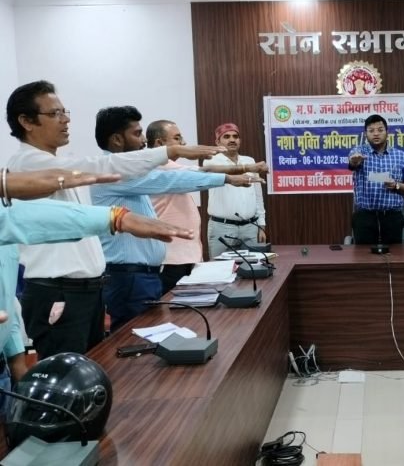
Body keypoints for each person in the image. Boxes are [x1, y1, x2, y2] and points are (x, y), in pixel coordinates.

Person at [4, 80, 221, 359]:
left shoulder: (60, 162)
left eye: (64, 112)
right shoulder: (27, 164)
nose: (66, 119)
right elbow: (106, 165)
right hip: (59, 291)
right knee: (69, 373)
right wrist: (168, 152)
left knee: (94, 369)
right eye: (55, 113)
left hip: (87, 290)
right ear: (26, 121)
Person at [0, 168, 194, 416]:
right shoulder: (30, 163)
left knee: (85, 387)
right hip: (59, 293)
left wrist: (15, 355)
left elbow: (5, 297)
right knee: (65, 394)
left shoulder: (7, 218)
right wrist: (115, 219)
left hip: (7, 363)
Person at [91, 107, 259, 331]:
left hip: (141, 275)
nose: (144, 140)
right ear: (117, 139)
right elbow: (170, 180)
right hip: (128, 277)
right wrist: (227, 178)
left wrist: (232, 174)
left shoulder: (129, 168)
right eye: (137, 134)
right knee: (133, 337)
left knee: (149, 333)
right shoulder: (113, 171)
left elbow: (176, 175)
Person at [146, 120, 269, 294]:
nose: (183, 143)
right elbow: (203, 173)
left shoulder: (168, 166)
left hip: (183, 253)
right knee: (177, 297)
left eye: (235, 136)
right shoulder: (160, 166)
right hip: (171, 255)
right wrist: (242, 171)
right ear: (159, 143)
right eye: (177, 138)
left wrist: (247, 168)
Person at [347, 114, 404, 245]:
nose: (376, 134)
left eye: (380, 130)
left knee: (394, 255)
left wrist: (397, 185)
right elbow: (352, 163)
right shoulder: (359, 152)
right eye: (371, 130)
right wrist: (354, 162)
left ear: (387, 132)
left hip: (392, 217)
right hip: (365, 217)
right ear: (365, 134)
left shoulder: (400, 156)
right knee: (363, 255)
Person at [204, 123, 268, 258]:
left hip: (250, 226)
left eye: (235, 136)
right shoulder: (211, 162)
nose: (232, 140)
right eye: (226, 137)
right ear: (217, 142)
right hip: (222, 227)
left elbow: (258, 197)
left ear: (240, 140)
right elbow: (223, 173)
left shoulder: (250, 161)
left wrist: (261, 225)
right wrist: (247, 168)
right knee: (220, 268)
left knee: (253, 267)